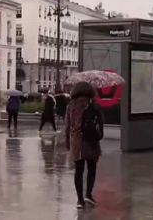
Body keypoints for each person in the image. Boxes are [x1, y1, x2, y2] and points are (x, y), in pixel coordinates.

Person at [65, 81, 103, 209]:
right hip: (91, 141)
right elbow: (99, 122)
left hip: (76, 141)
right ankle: (88, 194)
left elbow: (67, 126)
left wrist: (67, 143)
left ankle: (80, 200)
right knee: (92, 168)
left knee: (79, 170)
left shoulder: (71, 105)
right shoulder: (92, 104)